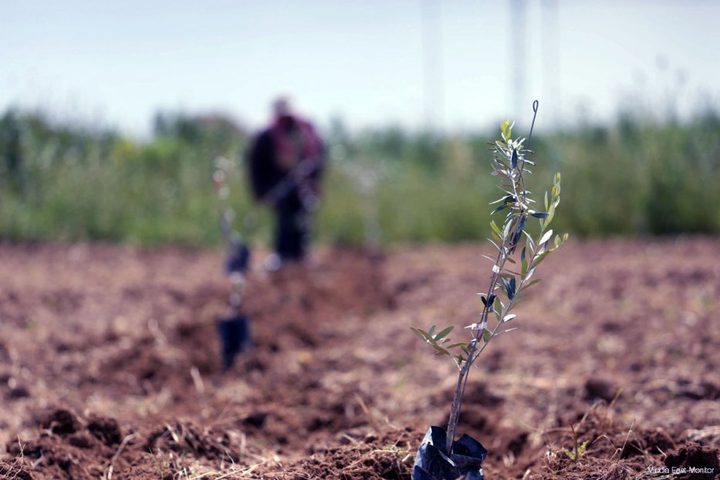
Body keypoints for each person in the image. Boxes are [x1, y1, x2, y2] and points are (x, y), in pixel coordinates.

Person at [246, 98, 326, 271]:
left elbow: (319, 157)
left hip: (303, 186)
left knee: (303, 220)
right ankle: (283, 256)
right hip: (281, 188)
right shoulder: (268, 136)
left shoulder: (306, 132)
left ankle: (301, 256)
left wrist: (316, 181)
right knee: (285, 220)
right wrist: (260, 191)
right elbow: (256, 164)